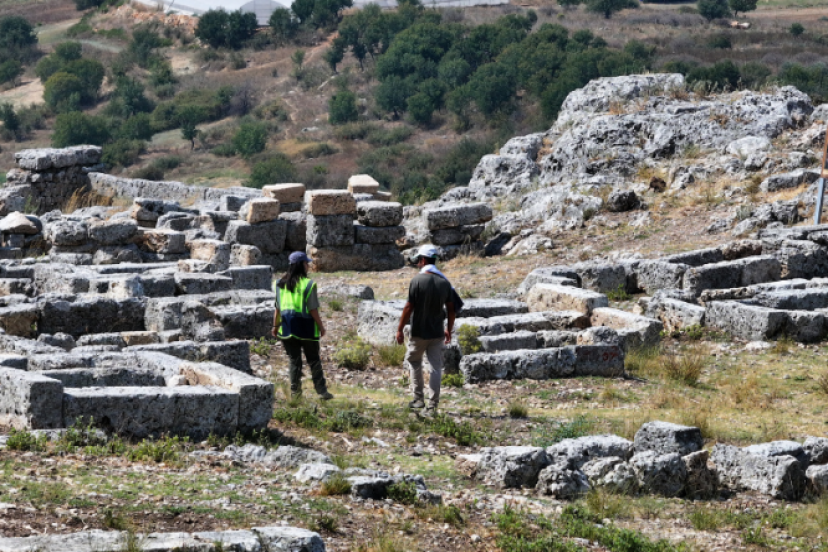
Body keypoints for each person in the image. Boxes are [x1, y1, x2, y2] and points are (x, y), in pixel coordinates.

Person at [396, 244, 455, 415]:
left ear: (422, 260)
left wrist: (400, 329)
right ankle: (432, 406)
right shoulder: (444, 283)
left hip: (419, 332)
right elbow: (451, 310)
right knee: (436, 367)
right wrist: (448, 330)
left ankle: (418, 399)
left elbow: (408, 307)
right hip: (437, 332)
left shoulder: (417, 281)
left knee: (414, 361)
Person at [272, 251, 333, 400]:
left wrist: (275, 326)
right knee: (313, 359)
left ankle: (295, 393)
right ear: (301, 265)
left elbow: (277, 309)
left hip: (286, 328)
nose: (308, 266)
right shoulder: (309, 285)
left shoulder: (279, 284)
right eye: (306, 263)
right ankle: (322, 391)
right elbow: (313, 309)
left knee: (294, 360)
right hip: (306, 328)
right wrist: (321, 327)